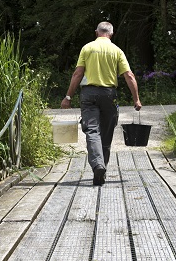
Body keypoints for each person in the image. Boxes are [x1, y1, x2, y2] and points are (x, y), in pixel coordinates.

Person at [60, 22, 142, 186]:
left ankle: (98, 166)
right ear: (111, 34)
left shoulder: (87, 48)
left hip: (89, 94)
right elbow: (129, 75)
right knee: (106, 134)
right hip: (109, 95)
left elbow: (78, 73)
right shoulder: (117, 51)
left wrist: (68, 97)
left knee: (92, 130)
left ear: (97, 32)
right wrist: (136, 99)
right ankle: (101, 169)